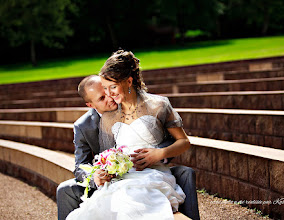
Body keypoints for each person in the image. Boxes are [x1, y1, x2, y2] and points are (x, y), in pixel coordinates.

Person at [65, 50, 199, 220]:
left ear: (129, 81)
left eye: (112, 87)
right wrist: (108, 169)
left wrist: (160, 154)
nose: (110, 95)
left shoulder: (158, 105)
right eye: (105, 90)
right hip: (123, 179)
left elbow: (184, 142)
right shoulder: (109, 116)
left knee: (131, 206)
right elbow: (108, 154)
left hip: (152, 174)